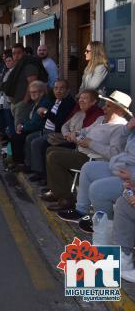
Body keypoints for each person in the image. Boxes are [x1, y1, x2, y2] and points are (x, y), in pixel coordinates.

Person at [57, 92, 134, 231]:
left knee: (97, 188)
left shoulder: (118, 127)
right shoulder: (112, 123)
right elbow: (86, 131)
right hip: (119, 167)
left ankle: (104, 226)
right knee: (88, 167)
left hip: (125, 173)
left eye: (108, 106)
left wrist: (91, 143)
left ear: (120, 111)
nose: (103, 108)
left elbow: (114, 153)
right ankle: (81, 211)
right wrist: (77, 134)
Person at [23, 80, 75, 176]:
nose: (58, 91)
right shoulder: (56, 100)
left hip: (54, 133)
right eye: (56, 88)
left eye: (61, 88)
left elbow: (58, 120)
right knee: (29, 138)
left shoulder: (68, 102)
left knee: (36, 143)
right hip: (46, 130)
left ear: (67, 90)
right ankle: (29, 166)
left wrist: (46, 112)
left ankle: (40, 173)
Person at [4, 44, 48, 129]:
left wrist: (25, 101)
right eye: (14, 53)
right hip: (16, 103)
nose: (16, 56)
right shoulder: (19, 66)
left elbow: (32, 84)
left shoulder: (28, 66)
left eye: (19, 53)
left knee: (20, 129)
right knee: (17, 127)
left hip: (23, 104)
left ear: (24, 53)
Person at [9, 81, 52, 166]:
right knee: (15, 136)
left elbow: (36, 123)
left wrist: (22, 127)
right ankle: (18, 162)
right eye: (31, 92)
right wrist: (21, 125)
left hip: (40, 129)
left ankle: (22, 163)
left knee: (18, 137)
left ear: (42, 92)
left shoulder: (44, 103)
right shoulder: (36, 102)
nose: (32, 94)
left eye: (35, 92)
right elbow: (30, 119)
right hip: (33, 127)